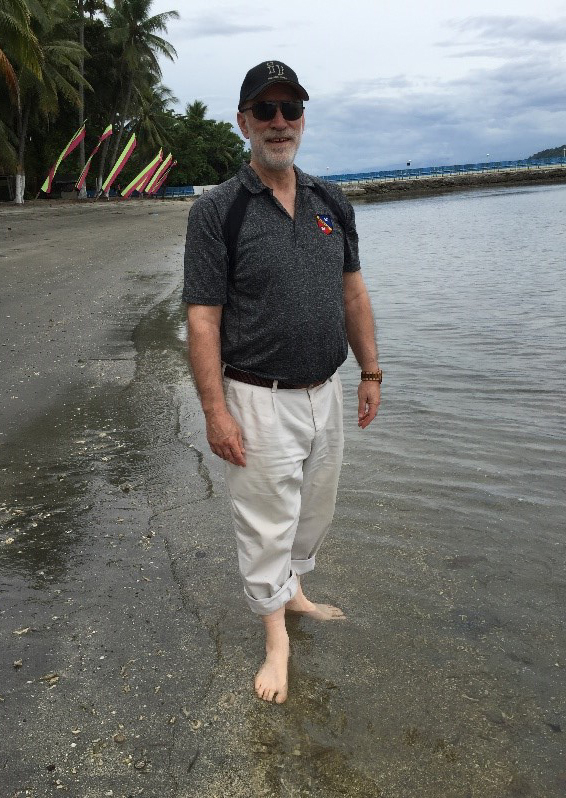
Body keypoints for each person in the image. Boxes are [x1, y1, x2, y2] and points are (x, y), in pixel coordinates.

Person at [183, 60, 381, 704]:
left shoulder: (332, 202)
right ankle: (276, 642)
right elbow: (203, 320)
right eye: (264, 110)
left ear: (302, 119)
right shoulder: (217, 210)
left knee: (312, 512)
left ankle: (293, 593)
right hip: (256, 397)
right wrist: (215, 412)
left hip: (326, 390)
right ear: (243, 122)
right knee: (266, 523)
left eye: (289, 109)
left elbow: (353, 294)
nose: (279, 122)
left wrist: (370, 370)